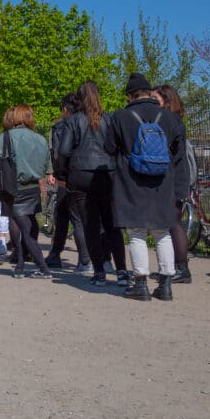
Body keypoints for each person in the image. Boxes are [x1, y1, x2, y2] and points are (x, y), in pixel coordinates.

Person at [106, 73, 186, 301]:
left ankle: (140, 283)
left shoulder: (120, 117)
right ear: (150, 92)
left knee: (136, 232)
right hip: (163, 181)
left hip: (131, 180)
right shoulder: (170, 118)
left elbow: (109, 147)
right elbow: (178, 153)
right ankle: (166, 283)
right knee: (162, 231)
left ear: (130, 95)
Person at [58, 81, 125, 286]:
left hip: (80, 174)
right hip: (106, 173)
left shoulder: (73, 121)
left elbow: (63, 150)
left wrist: (63, 173)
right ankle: (121, 270)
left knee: (90, 225)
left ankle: (98, 272)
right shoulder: (109, 119)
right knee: (112, 224)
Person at [0, 104, 52, 278]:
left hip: (12, 186)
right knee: (29, 223)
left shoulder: (6, 136)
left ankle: (41, 267)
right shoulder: (40, 139)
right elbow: (46, 164)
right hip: (33, 187)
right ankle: (21, 263)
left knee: (21, 226)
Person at [152, 84, 195, 285]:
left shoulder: (171, 122)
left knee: (173, 222)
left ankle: (181, 268)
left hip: (175, 179)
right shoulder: (173, 121)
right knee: (170, 222)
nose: (152, 103)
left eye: (155, 99)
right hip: (176, 177)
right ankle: (174, 267)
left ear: (166, 102)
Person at [46, 94, 92, 274]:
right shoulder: (93, 121)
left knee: (74, 217)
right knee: (67, 214)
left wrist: (59, 174)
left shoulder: (61, 126)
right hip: (91, 173)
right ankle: (57, 253)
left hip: (69, 176)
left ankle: (85, 259)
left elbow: (59, 152)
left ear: (65, 109)